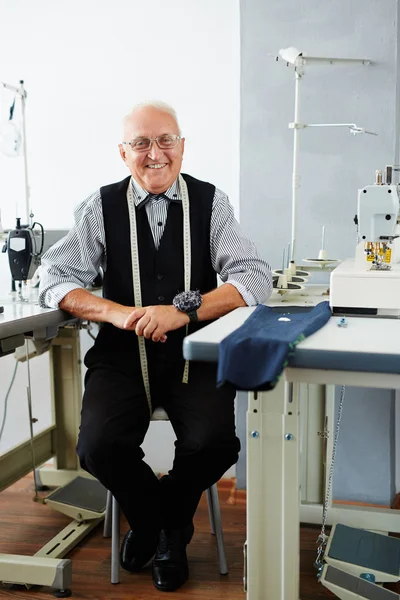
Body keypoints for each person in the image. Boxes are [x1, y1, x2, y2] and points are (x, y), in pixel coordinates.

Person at [39, 101, 272, 592]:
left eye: (166, 140)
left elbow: (253, 276)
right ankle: (160, 524)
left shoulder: (213, 203)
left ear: (182, 147)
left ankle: (162, 524)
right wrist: (117, 313)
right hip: (123, 354)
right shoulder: (99, 207)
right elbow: (54, 278)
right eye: (141, 143)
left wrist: (183, 311)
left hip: (196, 351)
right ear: (123, 153)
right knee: (97, 446)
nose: (155, 153)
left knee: (215, 443)